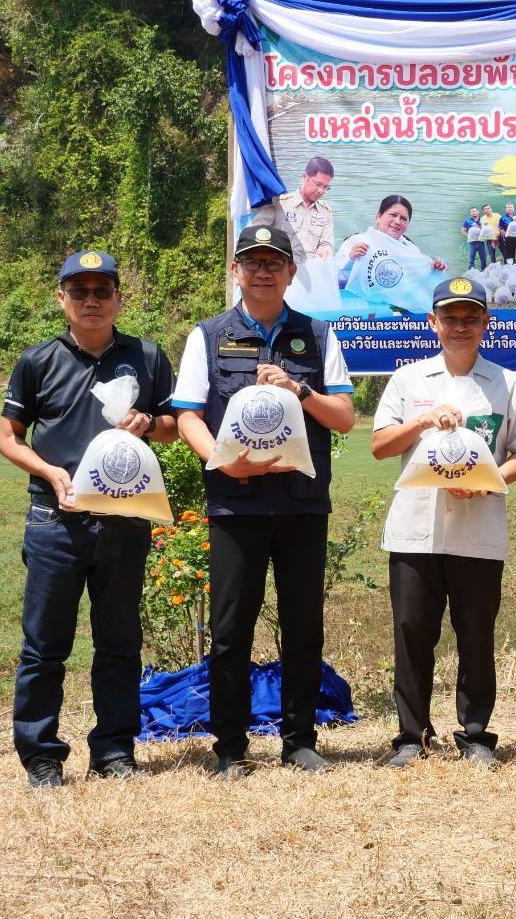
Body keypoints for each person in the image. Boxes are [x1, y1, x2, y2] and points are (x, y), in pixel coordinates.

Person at [172, 226, 357, 776]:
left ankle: (300, 740)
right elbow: (187, 414)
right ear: (236, 271)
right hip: (236, 502)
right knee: (231, 628)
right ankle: (230, 746)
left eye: (273, 262)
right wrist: (220, 460)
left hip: (301, 503)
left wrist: (298, 390)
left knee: (304, 625)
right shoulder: (207, 335)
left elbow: (343, 418)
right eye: (251, 262)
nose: (262, 271)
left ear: (290, 273)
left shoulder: (319, 337)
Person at [0, 251, 177, 788]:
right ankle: (42, 756)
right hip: (57, 520)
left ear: (119, 299)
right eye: (80, 292)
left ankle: (115, 750)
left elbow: (173, 425)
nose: (92, 301)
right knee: (44, 644)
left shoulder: (146, 356)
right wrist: (53, 474)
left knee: (120, 641)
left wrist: (150, 423)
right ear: (62, 299)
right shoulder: (37, 361)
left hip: (125, 519)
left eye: (103, 291)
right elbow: (9, 438)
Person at [371, 276, 516, 768]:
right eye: (450, 317)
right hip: (415, 529)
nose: (460, 326)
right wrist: (420, 422)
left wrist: (489, 481)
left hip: (478, 530)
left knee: (476, 635)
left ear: (486, 322)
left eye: (470, 317)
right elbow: (380, 447)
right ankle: (411, 736)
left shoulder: (509, 383)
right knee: (413, 633)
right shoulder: (408, 380)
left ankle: (477, 734)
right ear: (433, 323)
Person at [335, 195, 447, 288]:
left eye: (403, 218)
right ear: (378, 217)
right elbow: (334, 276)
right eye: (393, 215)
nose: (397, 221)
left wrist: (436, 268)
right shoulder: (356, 241)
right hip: (357, 301)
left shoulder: (411, 249)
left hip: (394, 303)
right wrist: (350, 258)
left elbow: (420, 282)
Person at [250, 156, 336, 265]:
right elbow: (255, 235)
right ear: (305, 177)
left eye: (326, 187)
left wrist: (325, 251)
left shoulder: (325, 212)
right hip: (279, 272)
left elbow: (326, 243)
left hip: (311, 274)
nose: (321, 191)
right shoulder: (279, 204)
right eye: (318, 184)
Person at [463, 205, 489, 271]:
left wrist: (479, 227)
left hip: (481, 242)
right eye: (472, 212)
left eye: (475, 211)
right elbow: (463, 231)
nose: (474, 212)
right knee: (471, 259)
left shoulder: (483, 219)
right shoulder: (467, 221)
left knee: (483, 258)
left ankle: (483, 271)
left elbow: (487, 230)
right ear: (470, 213)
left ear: (478, 212)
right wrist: (469, 236)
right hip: (472, 243)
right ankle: (471, 273)